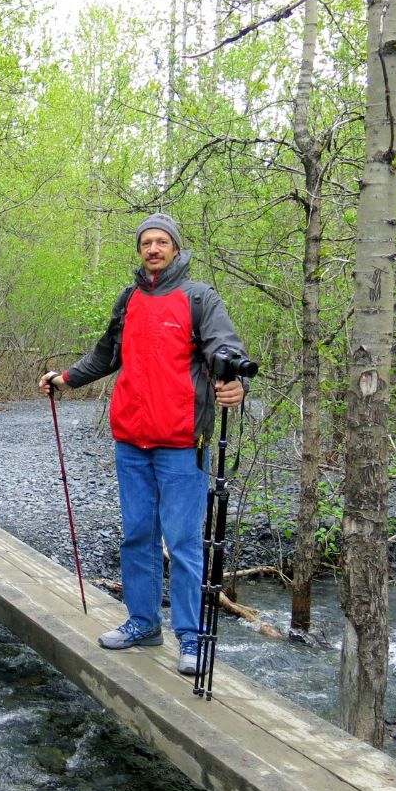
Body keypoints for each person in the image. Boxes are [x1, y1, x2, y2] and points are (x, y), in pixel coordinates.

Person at [39, 212, 249, 675]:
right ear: (140, 250)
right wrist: (66, 379)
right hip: (131, 440)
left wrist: (235, 382)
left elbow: (224, 350)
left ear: (176, 249)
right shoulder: (130, 298)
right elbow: (106, 353)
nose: (153, 249)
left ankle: (190, 638)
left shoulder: (199, 298)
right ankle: (142, 622)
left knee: (184, 542)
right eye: (146, 243)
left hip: (180, 442)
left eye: (162, 242)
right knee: (137, 536)